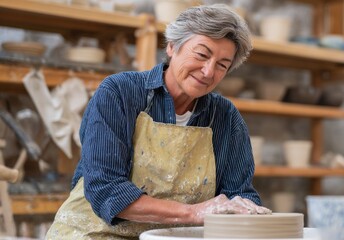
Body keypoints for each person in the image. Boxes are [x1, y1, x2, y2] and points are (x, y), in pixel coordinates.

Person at [46, 4, 271, 239]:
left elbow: (239, 196)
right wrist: (193, 212)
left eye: (222, 65)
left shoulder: (225, 117)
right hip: (93, 232)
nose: (207, 71)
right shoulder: (119, 93)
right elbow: (106, 189)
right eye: (202, 55)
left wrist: (247, 212)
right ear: (172, 46)